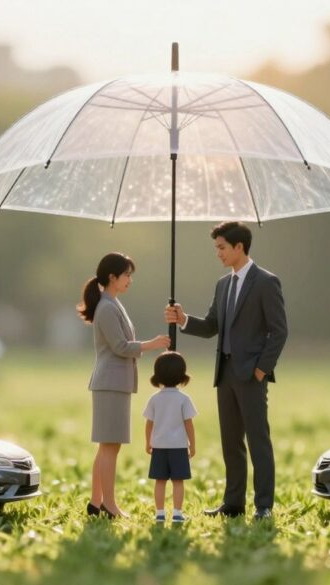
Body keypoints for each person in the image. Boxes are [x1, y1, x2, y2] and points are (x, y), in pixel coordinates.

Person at [164, 222, 288, 520]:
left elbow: (279, 331)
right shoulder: (223, 284)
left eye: (221, 247)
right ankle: (233, 504)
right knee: (230, 442)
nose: (217, 253)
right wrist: (182, 319)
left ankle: (264, 506)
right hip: (226, 374)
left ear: (238, 247)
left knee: (258, 440)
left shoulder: (266, 282)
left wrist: (261, 370)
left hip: (251, 375)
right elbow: (211, 327)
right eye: (216, 248)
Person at [79, 252, 170, 519]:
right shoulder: (107, 307)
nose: (130, 280)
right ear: (112, 277)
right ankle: (108, 504)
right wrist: (152, 344)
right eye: (127, 275)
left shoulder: (113, 304)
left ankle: (97, 502)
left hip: (115, 383)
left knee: (108, 446)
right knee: (110, 446)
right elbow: (120, 346)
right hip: (110, 383)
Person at [143, 351, 197, 524]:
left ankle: (159, 513)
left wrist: (148, 442)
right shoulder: (184, 399)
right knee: (178, 481)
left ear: (157, 375)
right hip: (179, 446)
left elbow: (149, 424)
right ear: (182, 375)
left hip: (159, 445)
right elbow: (189, 424)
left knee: (160, 480)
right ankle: (177, 513)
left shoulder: (154, 399)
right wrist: (192, 445)